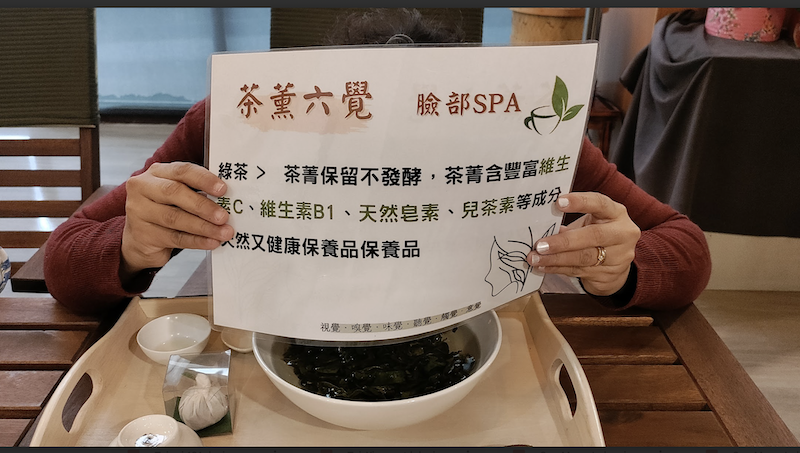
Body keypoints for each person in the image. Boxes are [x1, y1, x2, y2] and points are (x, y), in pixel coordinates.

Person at [44, 8, 711, 315]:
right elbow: (63, 259)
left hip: (477, 344)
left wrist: (621, 267)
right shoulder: (234, 122)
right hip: (269, 348)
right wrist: (130, 245)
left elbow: (685, 248)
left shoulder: (522, 131)